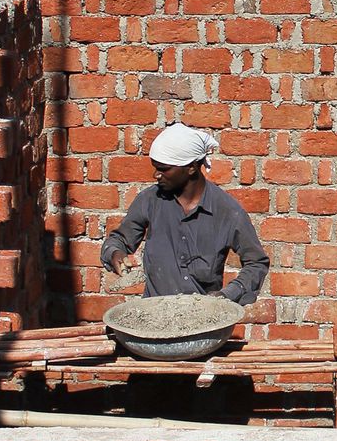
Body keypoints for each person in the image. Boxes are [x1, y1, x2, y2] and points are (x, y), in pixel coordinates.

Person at [100, 123, 269, 307]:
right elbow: (119, 240)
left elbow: (256, 263)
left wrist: (227, 295)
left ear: (191, 168)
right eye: (156, 167)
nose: (156, 174)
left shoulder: (227, 212)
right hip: (154, 319)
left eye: (164, 169)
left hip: (203, 324)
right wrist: (115, 253)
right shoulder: (150, 200)